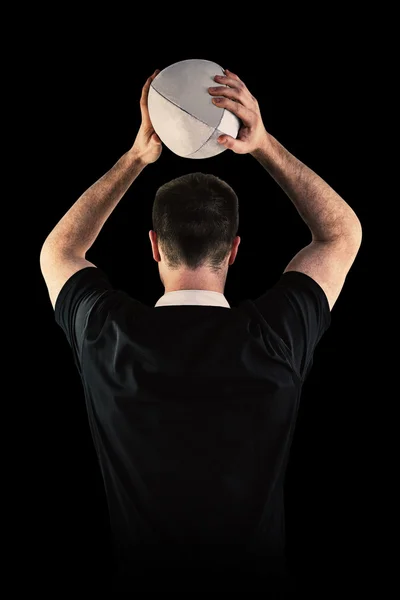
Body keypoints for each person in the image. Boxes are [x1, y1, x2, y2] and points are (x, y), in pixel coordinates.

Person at [40, 68, 362, 594]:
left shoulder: (107, 334)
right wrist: (262, 145)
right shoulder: (275, 335)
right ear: (235, 250)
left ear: (153, 245)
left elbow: (58, 252)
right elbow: (342, 233)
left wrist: (135, 159)